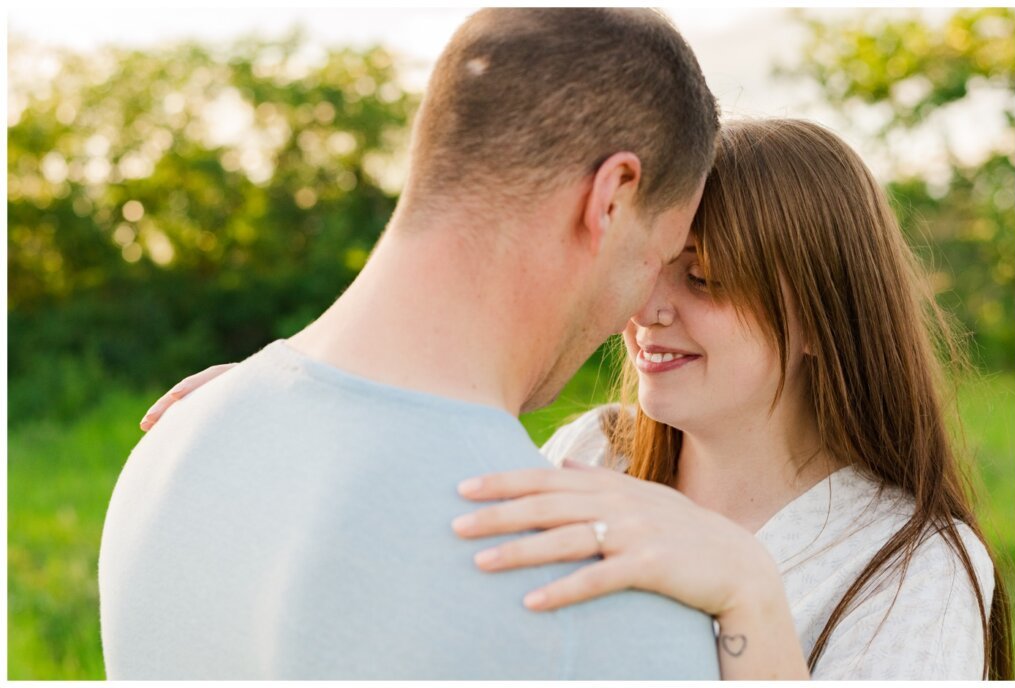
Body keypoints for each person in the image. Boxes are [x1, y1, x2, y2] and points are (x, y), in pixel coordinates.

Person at [152, 119, 1014, 680]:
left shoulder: (917, 570)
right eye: (648, 267)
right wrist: (298, 413)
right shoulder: (591, 452)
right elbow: (426, 559)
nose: (649, 310)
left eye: (704, 277)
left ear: (822, 316)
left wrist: (748, 593)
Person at [98, 8, 722, 680]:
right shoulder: (604, 598)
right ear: (612, 197)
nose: (644, 306)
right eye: (655, 258)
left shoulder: (176, 440)